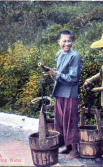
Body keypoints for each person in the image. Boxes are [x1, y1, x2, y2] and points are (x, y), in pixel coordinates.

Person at [44, 30, 82, 160]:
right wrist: (50, 72)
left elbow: (73, 79)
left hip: (70, 93)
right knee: (60, 121)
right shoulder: (59, 54)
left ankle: (75, 150)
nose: (67, 43)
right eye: (64, 41)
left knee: (71, 121)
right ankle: (67, 146)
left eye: (69, 40)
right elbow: (59, 73)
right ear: (59, 42)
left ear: (72, 41)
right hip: (60, 92)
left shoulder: (75, 56)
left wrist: (56, 74)